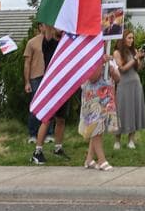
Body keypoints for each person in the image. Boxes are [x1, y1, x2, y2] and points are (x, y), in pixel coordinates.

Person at [31, 26, 71, 163]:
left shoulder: (68, 44)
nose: (62, 29)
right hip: (51, 85)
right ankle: (37, 151)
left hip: (64, 85)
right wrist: (50, 22)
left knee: (61, 118)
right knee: (47, 119)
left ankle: (58, 148)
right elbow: (48, 31)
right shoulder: (49, 42)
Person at [80, 55, 121, 171]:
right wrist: (100, 62)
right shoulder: (88, 57)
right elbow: (93, 78)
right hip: (93, 97)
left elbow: (118, 79)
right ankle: (101, 160)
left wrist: (112, 70)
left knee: (100, 128)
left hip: (106, 97)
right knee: (96, 127)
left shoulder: (109, 57)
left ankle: (89, 159)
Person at [112, 30, 145, 150]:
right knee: (121, 111)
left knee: (134, 110)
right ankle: (117, 140)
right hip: (123, 84)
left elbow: (139, 68)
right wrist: (134, 59)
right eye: (129, 38)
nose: (131, 40)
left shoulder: (134, 51)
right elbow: (122, 68)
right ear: (123, 39)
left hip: (135, 83)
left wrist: (141, 59)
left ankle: (131, 140)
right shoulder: (117, 52)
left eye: (132, 38)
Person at [23, 23, 51, 142]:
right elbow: (27, 63)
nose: (48, 27)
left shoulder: (54, 41)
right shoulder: (32, 42)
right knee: (36, 106)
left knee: (50, 105)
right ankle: (33, 134)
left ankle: (49, 134)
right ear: (40, 27)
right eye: (45, 25)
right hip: (36, 77)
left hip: (50, 76)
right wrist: (27, 82)